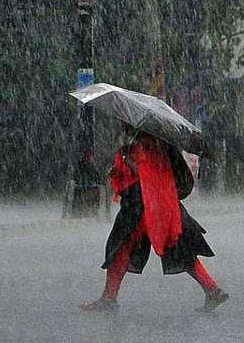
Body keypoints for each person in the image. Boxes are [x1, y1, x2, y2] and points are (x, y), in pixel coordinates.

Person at [80, 124, 228, 312]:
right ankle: (212, 289)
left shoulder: (140, 147)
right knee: (181, 250)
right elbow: (168, 176)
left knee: (120, 249)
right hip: (166, 206)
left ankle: (108, 299)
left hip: (140, 208)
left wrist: (123, 165)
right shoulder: (164, 146)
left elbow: (135, 179)